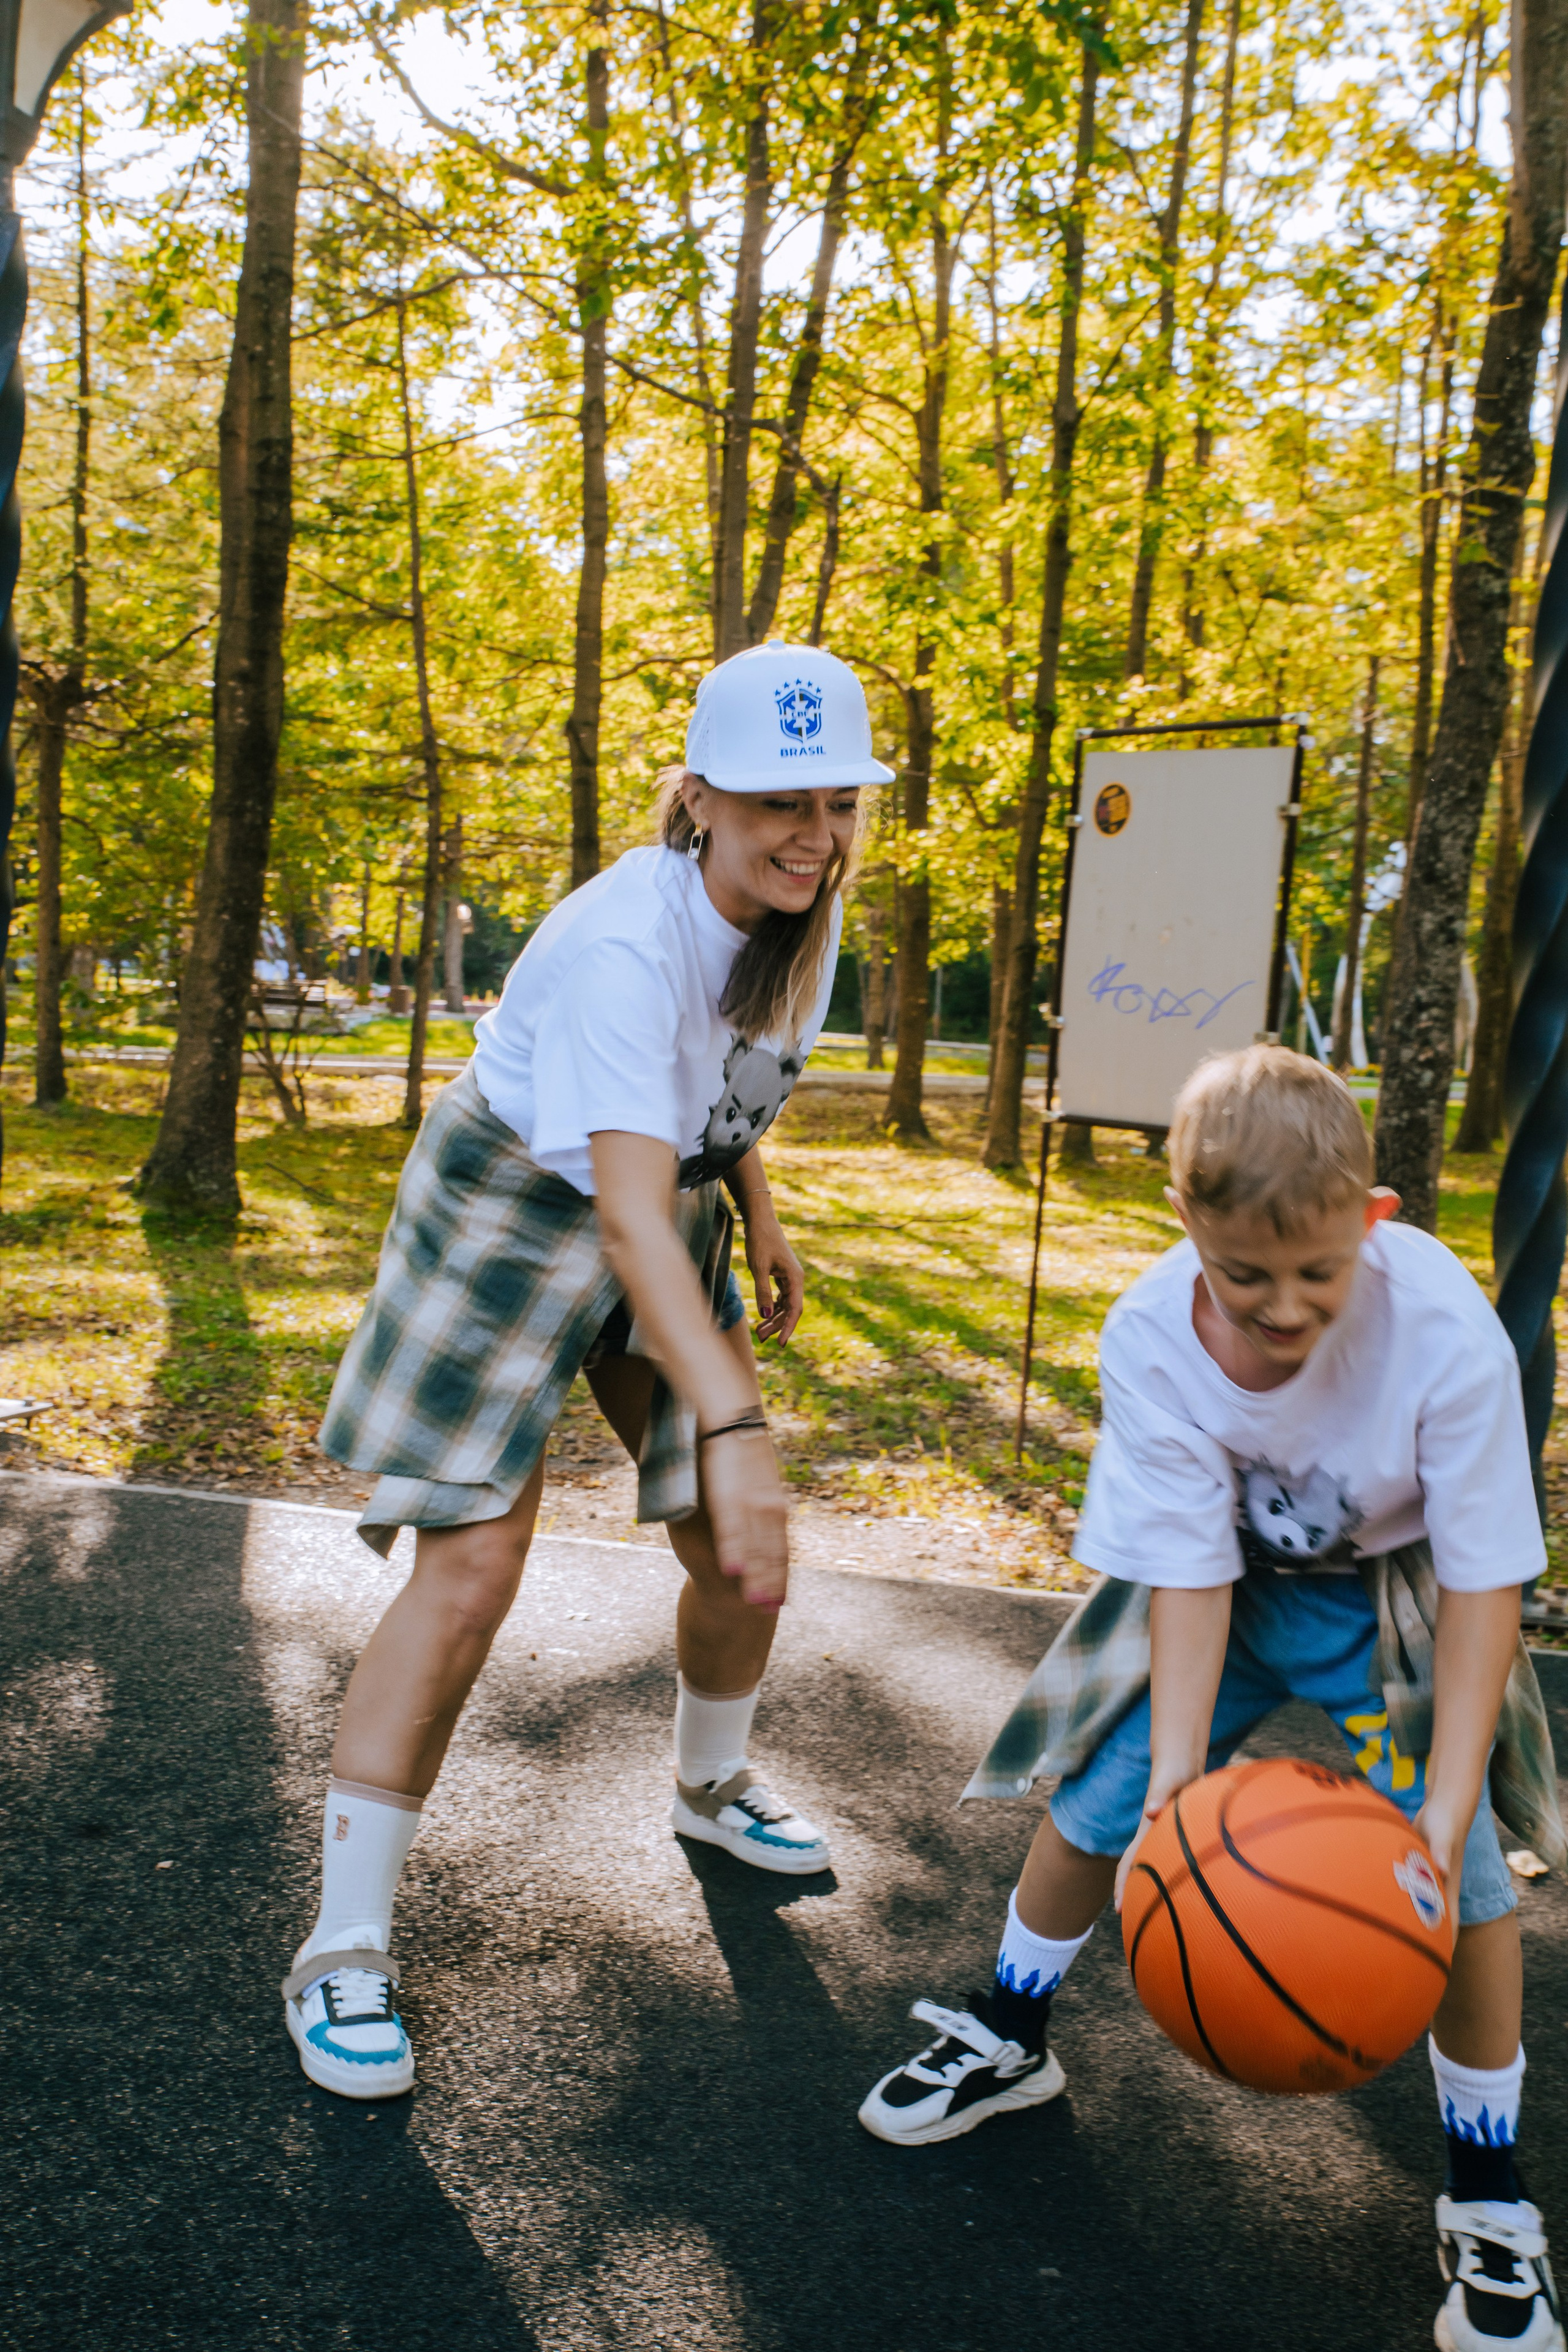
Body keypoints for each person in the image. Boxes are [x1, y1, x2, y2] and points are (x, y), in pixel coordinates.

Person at [860, 1046, 1566, 2352]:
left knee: (1461, 1887)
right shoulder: (1148, 1339)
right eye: (1245, 1277)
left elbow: (1481, 1594)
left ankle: (1483, 2184)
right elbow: (1182, 1573)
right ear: (1186, 1223)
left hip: (1393, 1598)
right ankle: (1010, 2028)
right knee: (1100, 1800)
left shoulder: (1442, 1330)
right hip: (1230, 1590)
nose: (1283, 1308)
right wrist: (1177, 1790)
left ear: (1372, 1222)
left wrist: (1447, 1802)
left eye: (1316, 1274)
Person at [282, 641, 892, 2100]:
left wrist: (758, 1209)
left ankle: (708, 1785)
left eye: (837, 800)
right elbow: (617, 1215)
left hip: (659, 1192)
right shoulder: (628, 943)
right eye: (773, 804)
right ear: (697, 802)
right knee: (473, 1570)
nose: (812, 832)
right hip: (513, 1199)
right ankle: (339, 1949)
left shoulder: (803, 918)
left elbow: (720, 1103)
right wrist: (732, 1416)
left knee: (746, 1557)